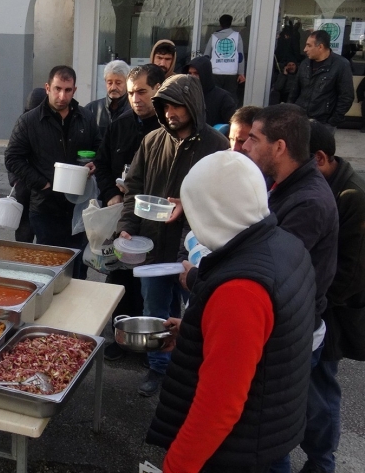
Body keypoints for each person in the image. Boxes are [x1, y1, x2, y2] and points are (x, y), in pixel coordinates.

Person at [146, 151, 316, 473]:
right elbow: (269, 339)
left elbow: (218, 408)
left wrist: (177, 466)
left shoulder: (239, 290)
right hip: (271, 430)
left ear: (210, 211)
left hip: (237, 451)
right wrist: (197, 330)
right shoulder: (284, 245)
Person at [241, 104, 339, 473]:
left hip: (291, 333)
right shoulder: (283, 185)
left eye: (255, 138)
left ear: (279, 147)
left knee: (267, 438)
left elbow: (267, 269)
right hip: (282, 325)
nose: (246, 146)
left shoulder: (309, 201)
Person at [117, 74, 229, 396]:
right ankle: (158, 368)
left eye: (176, 105)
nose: (170, 113)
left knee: (197, 315)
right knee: (155, 311)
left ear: (192, 104)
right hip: (152, 248)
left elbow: (221, 201)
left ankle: (191, 374)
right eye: (165, 106)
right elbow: (134, 190)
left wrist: (189, 211)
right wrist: (127, 228)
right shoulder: (152, 141)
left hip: (196, 252)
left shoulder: (217, 146)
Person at [94, 63, 165, 360]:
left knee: (150, 284)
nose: (136, 99)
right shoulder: (120, 124)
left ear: (159, 90)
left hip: (156, 221)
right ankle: (121, 339)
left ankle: (151, 345)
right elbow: (103, 164)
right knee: (119, 278)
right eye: (133, 92)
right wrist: (110, 194)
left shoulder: (167, 128)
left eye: (143, 92)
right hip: (122, 214)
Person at [4, 65, 101, 280]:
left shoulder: (85, 118)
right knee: (50, 269)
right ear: (47, 87)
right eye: (57, 89)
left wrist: (94, 162)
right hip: (45, 207)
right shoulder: (30, 121)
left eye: (67, 90)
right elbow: (12, 158)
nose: (62, 96)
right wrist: (42, 183)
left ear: (74, 90)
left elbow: (99, 149)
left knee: (77, 271)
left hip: (78, 207)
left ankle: (76, 312)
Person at [307, 120, 365, 473]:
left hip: (333, 311)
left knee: (322, 387)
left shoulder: (352, 197)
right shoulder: (327, 184)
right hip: (320, 304)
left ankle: (321, 461)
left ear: (319, 158)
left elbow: (351, 274)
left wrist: (315, 306)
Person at [291, 30, 354, 134]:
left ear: (320, 47)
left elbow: (346, 96)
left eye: (309, 46)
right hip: (300, 119)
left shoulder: (341, 65)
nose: (305, 49)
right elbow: (295, 90)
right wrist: (291, 112)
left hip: (323, 123)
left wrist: (332, 121)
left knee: (319, 150)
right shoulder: (305, 63)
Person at [9, 88, 46, 243]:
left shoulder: (22, 121)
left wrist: (15, 180)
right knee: (30, 227)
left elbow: (11, 154)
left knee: (26, 227)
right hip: (33, 185)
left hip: (26, 184)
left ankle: (23, 259)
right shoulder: (36, 123)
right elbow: (12, 156)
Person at [182, 55, 236, 126]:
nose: (192, 77)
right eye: (189, 73)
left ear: (205, 74)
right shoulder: (184, 95)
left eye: (196, 73)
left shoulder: (223, 98)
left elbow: (234, 125)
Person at [204, 14, 246, 103]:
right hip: (231, 72)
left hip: (215, 72)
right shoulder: (236, 36)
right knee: (230, 98)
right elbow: (240, 56)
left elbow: (206, 56)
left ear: (220, 24)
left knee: (216, 97)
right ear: (230, 23)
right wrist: (241, 73)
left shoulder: (213, 37)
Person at [85, 59, 131, 139]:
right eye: (109, 83)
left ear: (127, 83)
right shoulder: (91, 109)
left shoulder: (134, 110)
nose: (113, 87)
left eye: (118, 83)